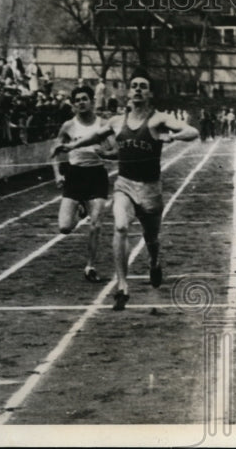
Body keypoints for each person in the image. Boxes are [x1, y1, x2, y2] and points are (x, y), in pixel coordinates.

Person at [52, 69, 198, 311]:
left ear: (150, 93)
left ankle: (154, 261)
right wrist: (69, 145)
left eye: (143, 86)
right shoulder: (117, 121)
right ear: (129, 92)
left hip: (150, 188)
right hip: (125, 185)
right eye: (134, 86)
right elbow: (91, 137)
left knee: (151, 239)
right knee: (120, 226)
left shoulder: (158, 119)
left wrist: (173, 137)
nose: (138, 89)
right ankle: (122, 287)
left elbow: (192, 132)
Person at [51, 86, 115, 283]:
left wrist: (105, 153)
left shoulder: (103, 124)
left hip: (96, 175)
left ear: (92, 101)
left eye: (84, 99)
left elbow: (115, 149)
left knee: (96, 225)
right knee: (64, 227)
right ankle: (80, 211)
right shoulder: (68, 126)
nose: (81, 103)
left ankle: (91, 266)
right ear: (73, 104)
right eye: (77, 100)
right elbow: (54, 151)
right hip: (74, 175)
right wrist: (57, 175)